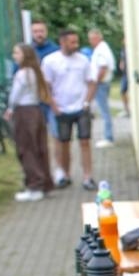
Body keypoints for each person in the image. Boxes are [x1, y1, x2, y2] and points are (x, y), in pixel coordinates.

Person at [41, 28, 97, 190]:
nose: (76, 45)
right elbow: (46, 86)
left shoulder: (83, 60)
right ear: (62, 42)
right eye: (72, 42)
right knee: (63, 143)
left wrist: (87, 102)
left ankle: (88, 176)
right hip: (61, 108)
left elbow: (92, 82)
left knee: (85, 141)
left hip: (81, 107)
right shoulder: (50, 61)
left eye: (77, 41)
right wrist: (54, 105)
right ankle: (65, 174)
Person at [5, 42, 53, 201]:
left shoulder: (22, 74)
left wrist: (10, 109)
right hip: (36, 111)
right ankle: (44, 181)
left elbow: (15, 95)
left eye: (17, 53)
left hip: (24, 112)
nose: (14, 56)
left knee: (26, 148)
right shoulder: (36, 72)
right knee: (39, 147)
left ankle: (34, 185)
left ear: (25, 55)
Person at [88, 28, 117, 147]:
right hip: (103, 82)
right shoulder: (103, 48)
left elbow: (102, 67)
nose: (90, 41)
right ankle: (107, 135)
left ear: (97, 37)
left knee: (104, 111)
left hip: (101, 83)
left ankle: (108, 137)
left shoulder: (101, 50)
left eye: (91, 39)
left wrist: (96, 82)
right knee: (103, 110)